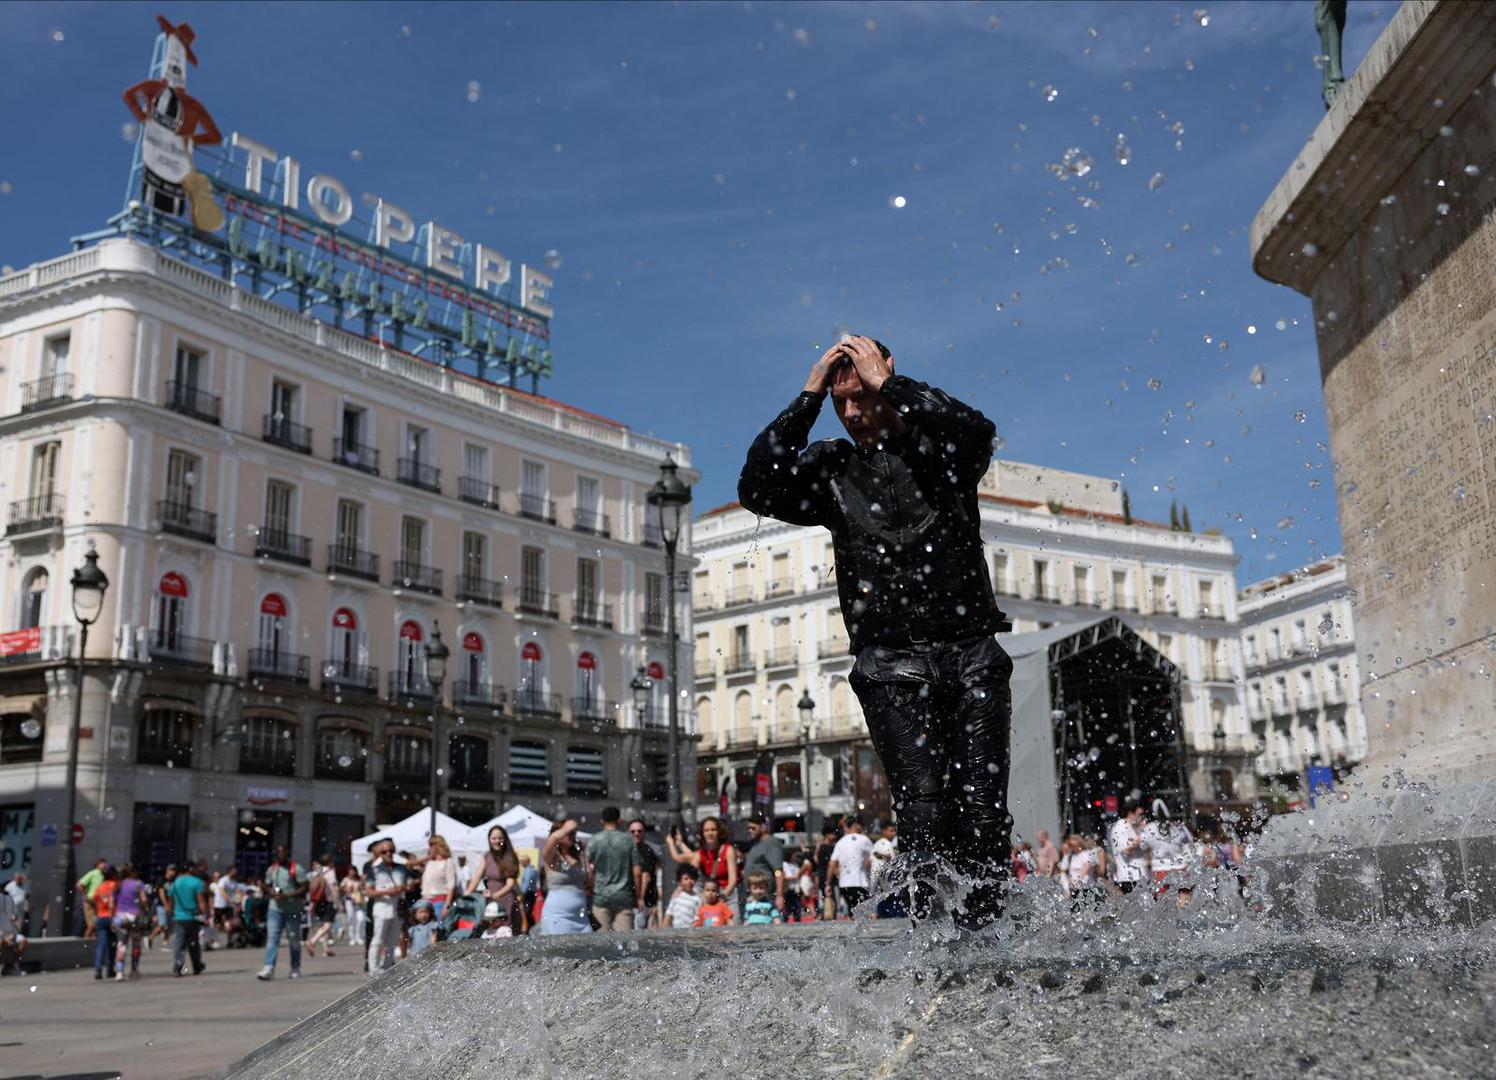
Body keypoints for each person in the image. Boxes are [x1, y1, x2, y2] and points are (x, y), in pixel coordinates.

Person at [738, 335, 1013, 929]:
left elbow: (977, 431)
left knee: (985, 813)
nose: (854, 411)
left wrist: (889, 384)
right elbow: (756, 487)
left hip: (971, 654)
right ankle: (931, 938)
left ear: (886, 376)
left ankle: (993, 934)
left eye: (862, 394)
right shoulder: (833, 467)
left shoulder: (943, 451)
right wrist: (808, 397)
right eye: (844, 403)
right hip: (890, 662)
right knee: (926, 809)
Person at [665, 816, 738, 913]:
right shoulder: (700, 854)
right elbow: (682, 861)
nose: (710, 833)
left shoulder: (728, 850)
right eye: (706, 830)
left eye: (713, 830)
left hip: (728, 895)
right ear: (702, 834)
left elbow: (733, 880)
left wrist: (722, 897)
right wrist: (672, 843)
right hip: (709, 893)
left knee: (733, 926)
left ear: (719, 832)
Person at [256, 846, 307, 980]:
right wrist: (268, 890)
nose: (278, 855)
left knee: (294, 939)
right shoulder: (272, 869)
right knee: (272, 938)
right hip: (275, 909)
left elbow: (304, 887)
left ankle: (295, 967)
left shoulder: (296, 869)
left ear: (287, 853)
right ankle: (268, 967)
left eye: (280, 852)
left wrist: (288, 895)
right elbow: (266, 884)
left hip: (293, 910)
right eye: (276, 853)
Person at [586, 806, 637, 931]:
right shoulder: (628, 841)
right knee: (626, 944)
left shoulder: (594, 841)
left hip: (600, 897)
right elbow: (637, 871)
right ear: (619, 821)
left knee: (602, 943)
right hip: (624, 897)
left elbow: (588, 868)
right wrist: (638, 896)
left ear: (602, 821)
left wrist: (590, 888)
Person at [539, 819, 592, 935]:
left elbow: (589, 883)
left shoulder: (579, 856)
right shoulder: (552, 857)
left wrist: (584, 856)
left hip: (581, 917)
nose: (573, 835)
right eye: (569, 833)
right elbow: (553, 839)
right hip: (557, 917)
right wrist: (567, 827)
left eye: (574, 833)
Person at [470, 825, 520, 934]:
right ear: (489, 840)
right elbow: (476, 877)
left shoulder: (510, 857)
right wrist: (467, 893)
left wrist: (495, 895)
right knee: (489, 934)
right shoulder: (487, 856)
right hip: (491, 902)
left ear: (505, 839)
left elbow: (510, 884)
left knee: (505, 933)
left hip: (506, 901)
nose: (497, 841)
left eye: (500, 838)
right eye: (493, 838)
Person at [166, 860, 209, 976]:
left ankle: (178, 965)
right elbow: (201, 901)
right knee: (193, 942)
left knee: (179, 942)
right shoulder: (197, 882)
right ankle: (196, 965)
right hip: (192, 917)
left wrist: (170, 912)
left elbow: (170, 900)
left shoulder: (175, 883)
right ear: (191, 869)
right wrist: (205, 915)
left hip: (178, 917)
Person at [829, 817, 875, 915]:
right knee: (863, 913)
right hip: (860, 881)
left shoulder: (840, 842)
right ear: (856, 825)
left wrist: (827, 882)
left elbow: (832, 864)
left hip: (845, 883)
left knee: (852, 912)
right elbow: (871, 860)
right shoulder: (864, 839)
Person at [743, 815, 786, 914]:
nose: (750, 831)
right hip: (754, 896)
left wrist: (779, 895)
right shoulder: (755, 844)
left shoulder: (771, 843)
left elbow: (778, 870)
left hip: (766, 897)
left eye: (753, 828)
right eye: (748, 828)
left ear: (763, 827)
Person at [112, 864, 149, 980]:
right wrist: (146, 910)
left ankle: (119, 971)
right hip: (134, 917)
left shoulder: (118, 885)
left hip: (119, 917)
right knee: (136, 944)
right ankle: (134, 970)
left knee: (121, 945)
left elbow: (112, 902)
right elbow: (143, 900)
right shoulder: (138, 884)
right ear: (132, 873)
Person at [1108, 801, 1151, 895]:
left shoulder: (1131, 827)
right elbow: (1125, 850)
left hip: (1139, 876)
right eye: (1139, 814)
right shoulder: (1120, 827)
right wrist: (1141, 837)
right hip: (1130, 877)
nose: (1142, 817)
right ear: (1130, 813)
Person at [305, 854, 340, 957]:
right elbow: (334, 888)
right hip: (329, 901)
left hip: (319, 901)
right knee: (328, 924)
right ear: (330, 862)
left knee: (323, 924)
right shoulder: (330, 872)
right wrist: (337, 902)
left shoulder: (317, 872)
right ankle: (312, 941)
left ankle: (326, 949)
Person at [628, 819, 661, 928]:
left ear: (644, 833)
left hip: (643, 902)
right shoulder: (629, 850)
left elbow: (645, 876)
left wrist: (640, 898)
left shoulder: (646, 851)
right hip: (632, 901)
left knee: (638, 936)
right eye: (633, 831)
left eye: (639, 831)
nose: (636, 834)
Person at [420, 836, 459, 920]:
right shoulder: (430, 862)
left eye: (431, 845)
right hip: (426, 902)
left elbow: (451, 885)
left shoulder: (448, 862)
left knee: (438, 929)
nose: (429, 848)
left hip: (440, 902)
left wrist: (447, 905)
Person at [92, 865, 118, 979]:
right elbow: (113, 901)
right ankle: (110, 968)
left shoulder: (99, 887)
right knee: (112, 944)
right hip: (111, 917)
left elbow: (93, 899)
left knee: (101, 944)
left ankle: (98, 969)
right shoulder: (114, 886)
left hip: (100, 917)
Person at [76, 857, 108, 938]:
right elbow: (79, 884)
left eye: (105, 863)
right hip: (90, 902)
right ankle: (85, 944)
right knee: (92, 925)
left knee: (96, 925)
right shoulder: (93, 873)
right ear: (97, 865)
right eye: (102, 863)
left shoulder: (104, 875)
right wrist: (85, 895)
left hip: (98, 903)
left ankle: (92, 944)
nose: (104, 865)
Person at [0, 883, 25, 974]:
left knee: (23, 941)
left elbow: (14, 918)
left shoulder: (9, 903)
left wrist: (13, 933)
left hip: (10, 933)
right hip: (2, 935)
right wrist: (4, 938)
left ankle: (12, 965)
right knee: (2, 943)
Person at [340, 866, 366, 946]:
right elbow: (341, 889)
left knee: (360, 918)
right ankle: (352, 937)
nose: (352, 873)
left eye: (353, 871)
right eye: (350, 872)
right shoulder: (345, 880)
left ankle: (358, 936)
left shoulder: (359, 880)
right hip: (349, 901)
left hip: (359, 902)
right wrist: (346, 889)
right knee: (351, 918)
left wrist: (361, 888)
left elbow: (364, 889)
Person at [4, 873, 30, 937]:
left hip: (21, 909)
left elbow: (28, 895)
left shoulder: (25, 886)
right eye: (17, 879)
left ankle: (17, 936)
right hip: (11, 908)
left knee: (20, 923)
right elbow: (4, 896)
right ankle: (9, 936)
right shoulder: (9, 886)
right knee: (11, 922)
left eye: (20, 879)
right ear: (15, 879)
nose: (19, 880)